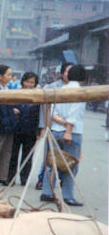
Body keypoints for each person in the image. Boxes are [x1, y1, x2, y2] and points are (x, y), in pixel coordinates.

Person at [39, 65, 86, 206]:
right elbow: (75, 113)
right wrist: (68, 130)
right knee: (71, 164)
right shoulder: (81, 92)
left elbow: (53, 111)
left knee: (52, 162)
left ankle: (47, 192)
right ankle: (67, 195)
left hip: (56, 129)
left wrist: (61, 123)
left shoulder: (59, 91)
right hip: (72, 132)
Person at [35, 62, 73, 189]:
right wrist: (43, 126)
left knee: (66, 157)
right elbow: (44, 109)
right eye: (67, 71)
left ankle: (61, 180)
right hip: (53, 126)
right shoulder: (51, 87)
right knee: (49, 156)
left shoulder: (78, 89)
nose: (70, 74)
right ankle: (42, 180)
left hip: (69, 128)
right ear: (62, 73)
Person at [8, 72, 40, 185]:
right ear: (22, 81)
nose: (29, 84)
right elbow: (9, 107)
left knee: (28, 156)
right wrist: (12, 110)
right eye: (27, 82)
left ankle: (24, 178)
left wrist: (40, 130)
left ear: (35, 84)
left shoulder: (38, 95)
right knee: (13, 154)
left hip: (31, 130)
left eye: (32, 82)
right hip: (16, 129)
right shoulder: (16, 93)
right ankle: (10, 178)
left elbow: (40, 115)